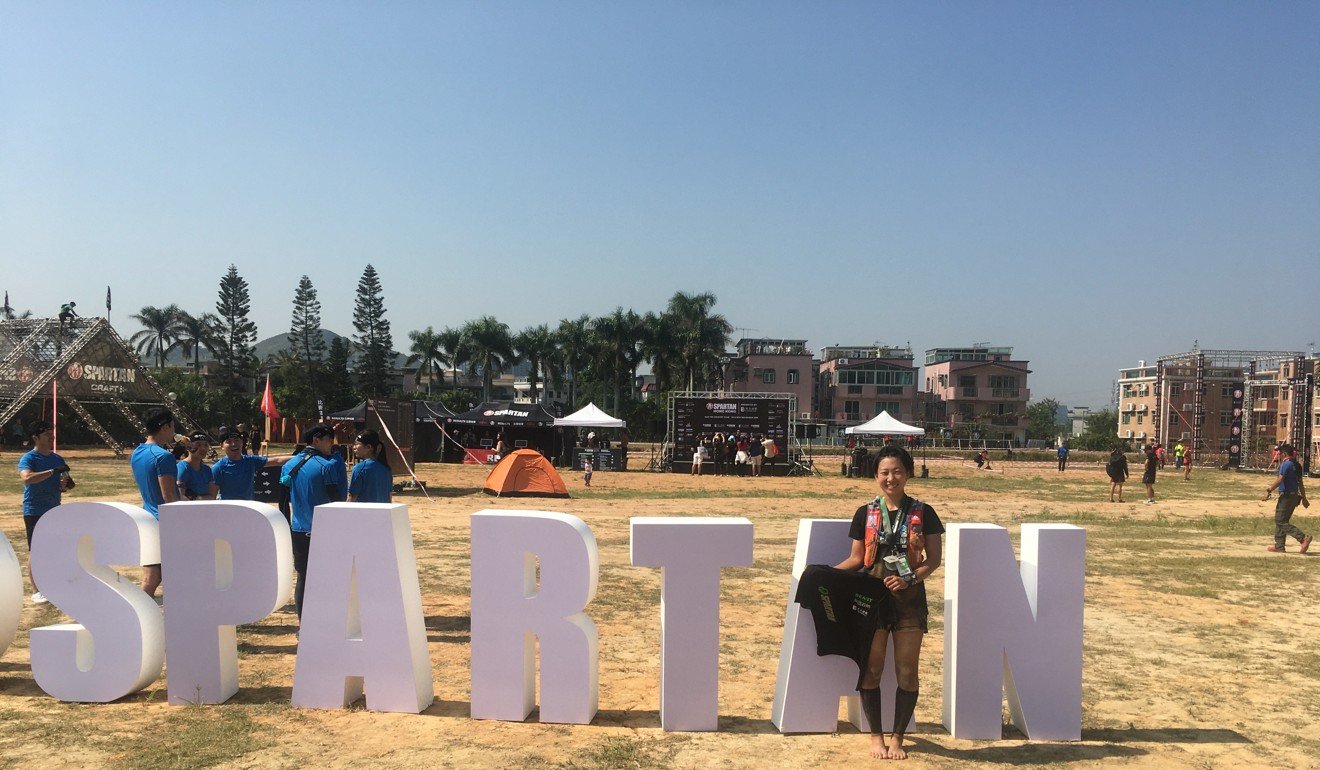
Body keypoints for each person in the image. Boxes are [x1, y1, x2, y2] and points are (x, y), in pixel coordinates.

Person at [834, 445, 944, 760]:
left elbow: (934, 560)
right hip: (872, 600)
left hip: (908, 601)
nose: (890, 478)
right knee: (872, 668)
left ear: (908, 474)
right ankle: (876, 736)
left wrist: (909, 579)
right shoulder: (865, 512)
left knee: (907, 670)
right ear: (876, 476)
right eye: (884, 472)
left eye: (897, 471)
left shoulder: (924, 512)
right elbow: (856, 560)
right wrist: (822, 574)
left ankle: (897, 738)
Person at [283, 424, 347, 618]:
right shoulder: (326, 466)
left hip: (299, 529)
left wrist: (288, 526)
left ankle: (304, 624)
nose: (331, 444)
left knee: (303, 577)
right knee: (329, 576)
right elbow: (336, 501)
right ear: (316, 440)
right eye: (329, 440)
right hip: (324, 530)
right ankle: (326, 619)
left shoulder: (290, 465)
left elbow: (283, 500)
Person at [17, 420, 71, 604]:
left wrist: (65, 485)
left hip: (54, 508)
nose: (51, 437)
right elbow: (27, 478)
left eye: (52, 433)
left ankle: (53, 583)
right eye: (47, 434)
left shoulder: (57, 458)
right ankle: (37, 590)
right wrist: (52, 472)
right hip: (34, 510)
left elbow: (64, 481)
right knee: (36, 550)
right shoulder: (29, 458)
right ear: (35, 437)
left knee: (54, 549)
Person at [131, 408, 179, 597]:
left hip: (147, 517)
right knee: (162, 577)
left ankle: (141, 619)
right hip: (164, 522)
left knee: (151, 577)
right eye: (173, 426)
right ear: (165, 426)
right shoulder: (163, 456)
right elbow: (169, 498)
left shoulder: (137, 452)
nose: (174, 431)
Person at [209, 427, 295, 500]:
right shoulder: (218, 468)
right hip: (228, 511)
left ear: (242, 442)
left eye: (236, 440)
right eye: (228, 441)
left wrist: (302, 457)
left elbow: (277, 461)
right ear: (221, 446)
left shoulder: (250, 461)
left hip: (249, 510)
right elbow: (212, 497)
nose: (234, 444)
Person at [1264, 443, 1311, 553]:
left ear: (1284, 454)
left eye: (1279, 453)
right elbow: (1300, 483)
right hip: (1295, 496)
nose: (1278, 455)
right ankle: (1279, 546)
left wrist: (1269, 491)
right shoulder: (1297, 465)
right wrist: (1304, 498)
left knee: (1280, 520)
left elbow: (1280, 480)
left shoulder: (1286, 464)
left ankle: (1303, 538)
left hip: (1286, 496)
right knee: (1283, 520)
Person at [348, 429, 393, 503]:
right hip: (382, 513)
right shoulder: (386, 469)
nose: (354, 447)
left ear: (368, 447)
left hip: (364, 513)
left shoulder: (359, 468)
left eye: (356, 444)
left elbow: (352, 497)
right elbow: (389, 497)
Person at [176, 433, 216, 501]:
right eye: (198, 444)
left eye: (206, 445)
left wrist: (196, 498)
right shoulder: (182, 468)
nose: (203, 448)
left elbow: (212, 497)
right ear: (188, 447)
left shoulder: (207, 470)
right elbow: (180, 496)